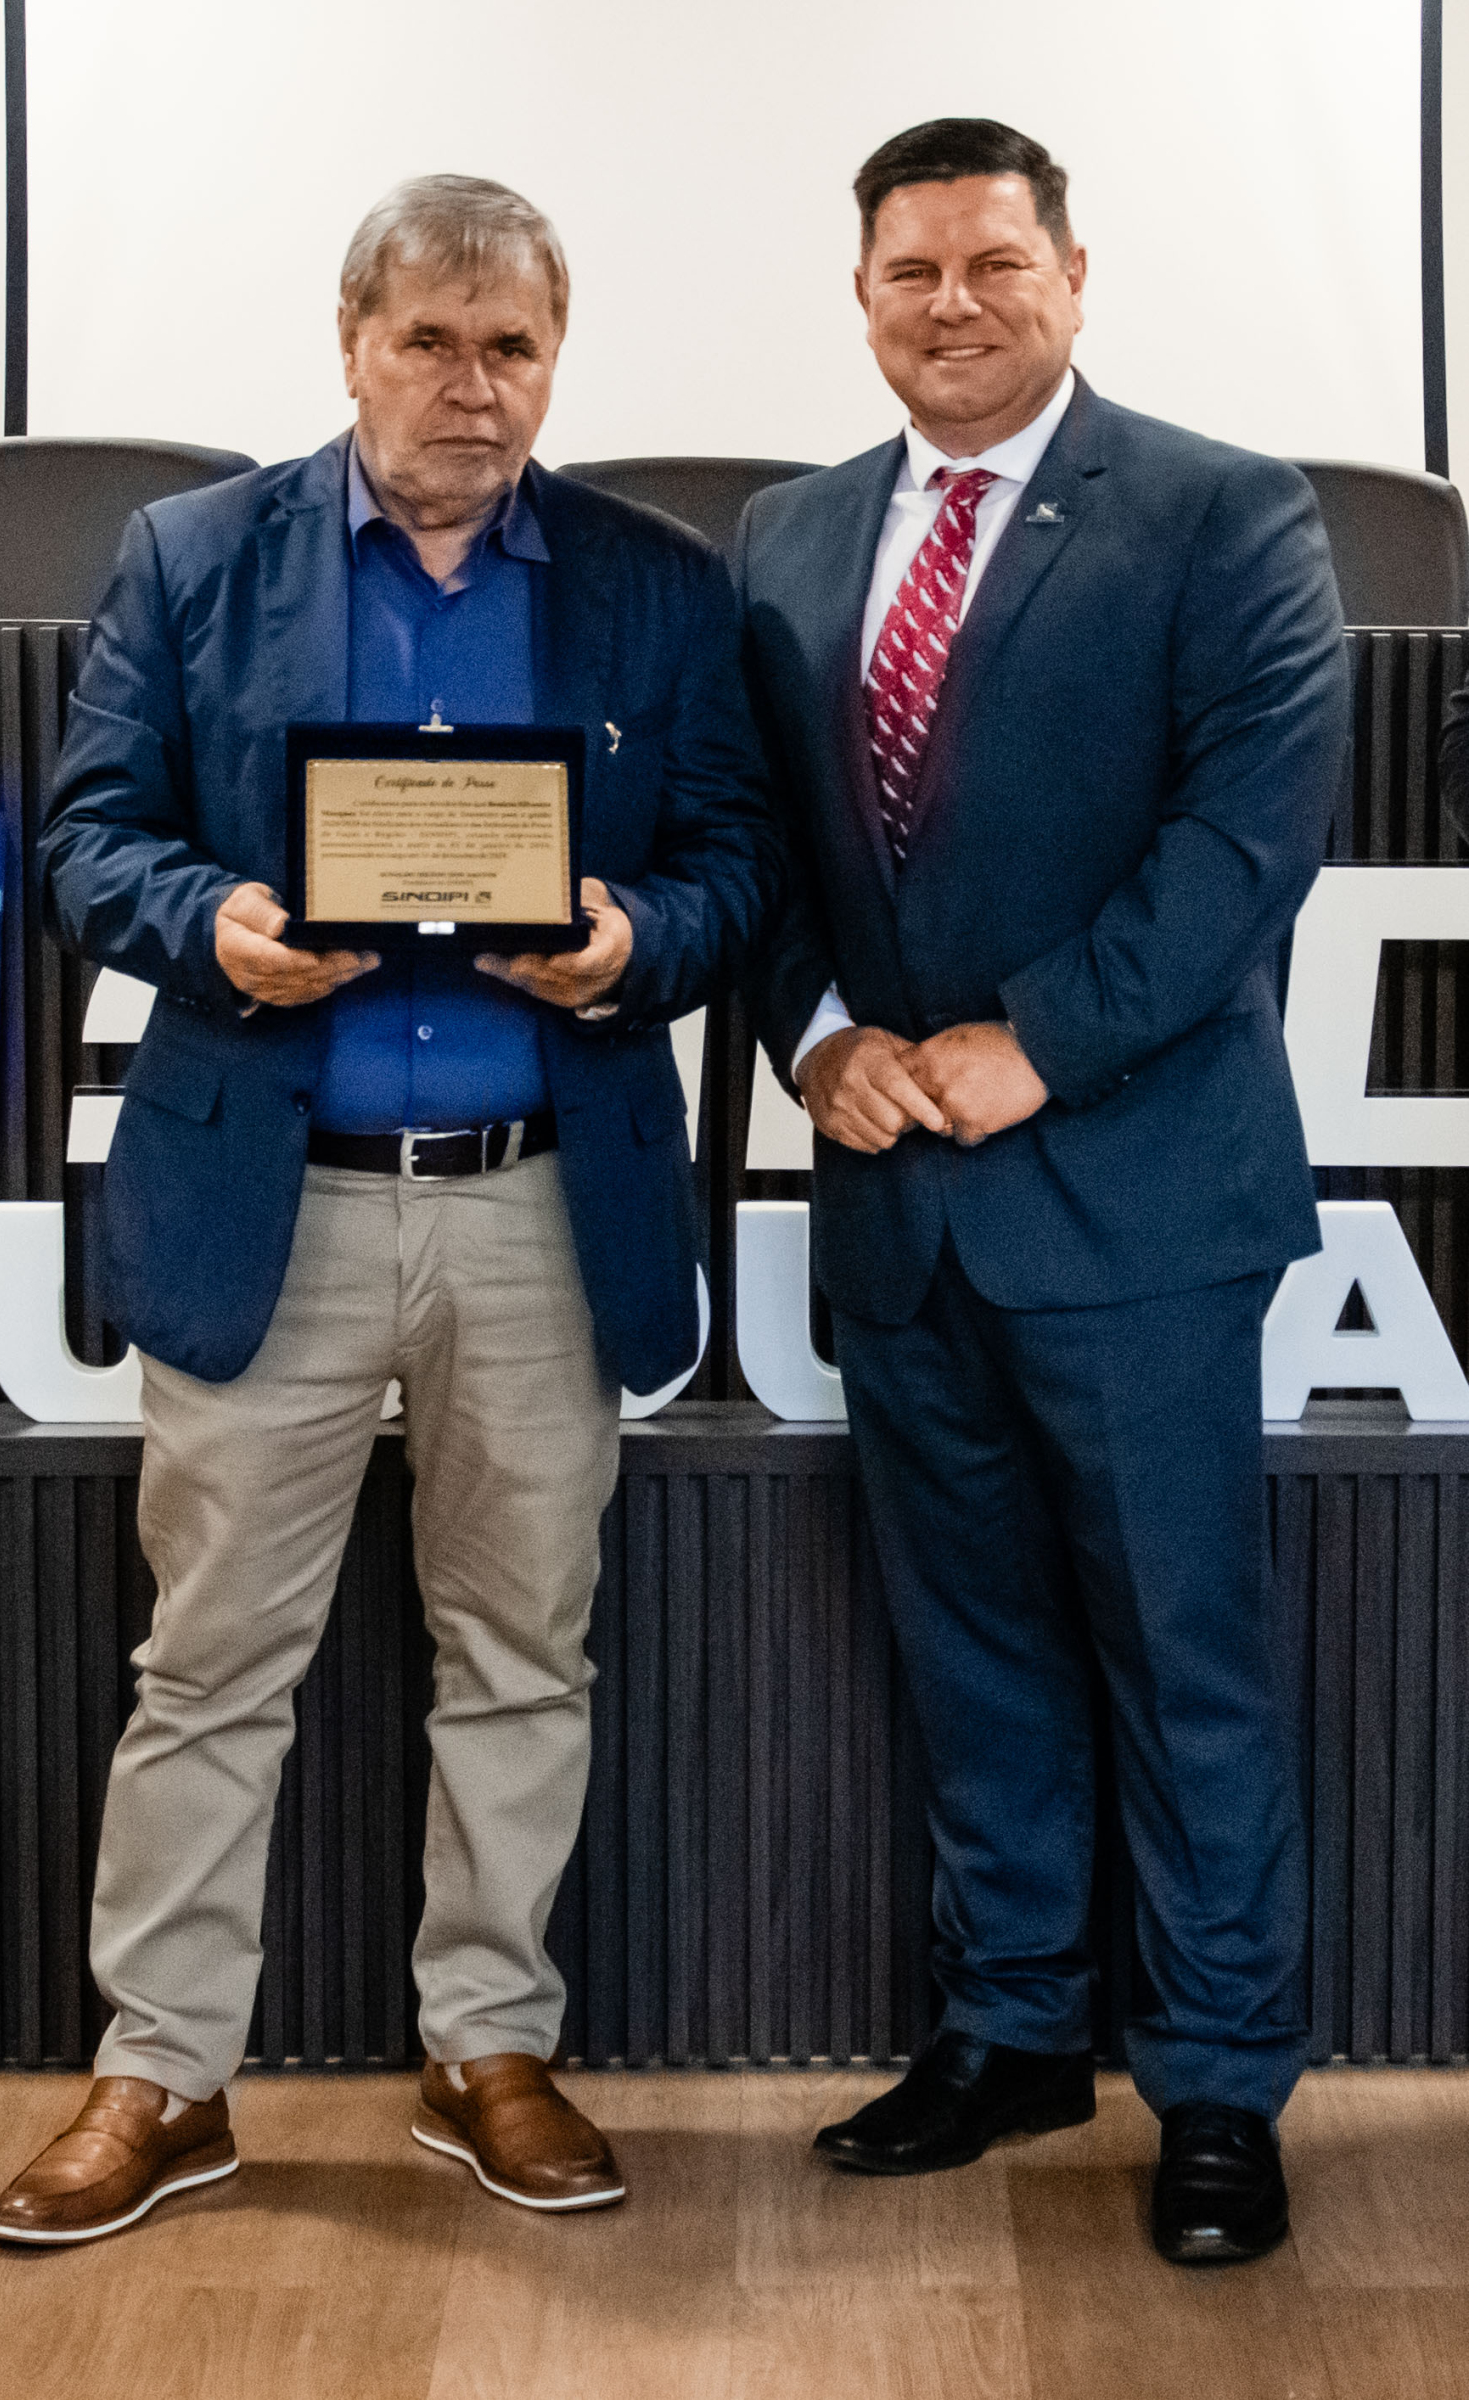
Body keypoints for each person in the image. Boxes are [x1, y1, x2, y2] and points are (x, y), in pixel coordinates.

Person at [0, 174, 779, 2243]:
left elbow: (732, 865)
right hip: (279, 1202)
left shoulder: (654, 583)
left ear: (555, 361)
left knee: (521, 1648)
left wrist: (637, 943)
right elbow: (89, 836)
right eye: (429, 339)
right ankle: (162, 2075)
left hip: (538, 1206)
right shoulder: (191, 556)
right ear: (350, 341)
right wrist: (210, 925)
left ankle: (485, 2047)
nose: (470, 384)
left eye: (512, 346)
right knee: (208, 1661)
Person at [737, 118, 1347, 2265]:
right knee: (976, 1651)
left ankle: (1217, 2083)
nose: (954, 304)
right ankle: (1009, 2030)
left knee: (1183, 1664)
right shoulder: (787, 537)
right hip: (899, 1204)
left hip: (1133, 1205)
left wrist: (1036, 1042)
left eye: (995, 263)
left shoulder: (1222, 512)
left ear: (1073, 278)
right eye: (911, 271)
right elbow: (760, 847)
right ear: (861, 299)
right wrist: (815, 1035)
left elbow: (1243, 844)